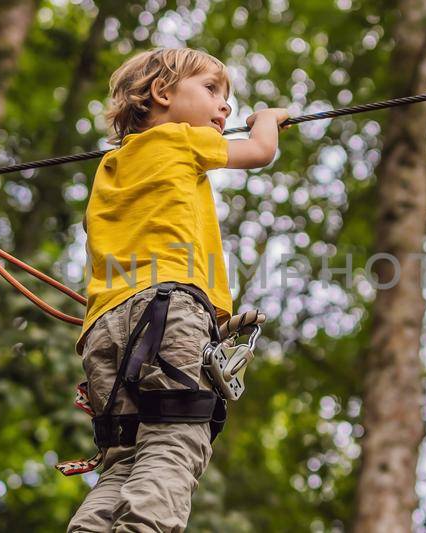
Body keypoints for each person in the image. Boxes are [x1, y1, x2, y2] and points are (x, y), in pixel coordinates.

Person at [66, 47, 289, 532]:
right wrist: (268, 117)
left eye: (227, 97)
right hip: (168, 310)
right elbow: (261, 151)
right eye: (212, 90)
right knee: (175, 439)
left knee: (123, 460)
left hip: (105, 330)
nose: (225, 106)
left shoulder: (109, 170)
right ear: (162, 94)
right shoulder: (180, 141)